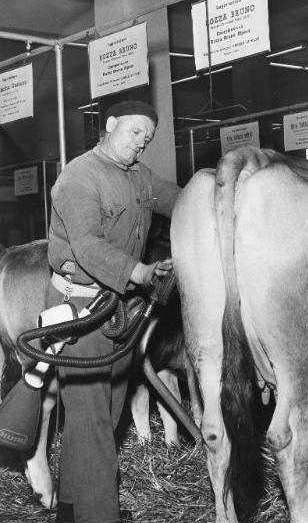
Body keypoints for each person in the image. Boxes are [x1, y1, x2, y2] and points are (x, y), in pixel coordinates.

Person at [47, 99, 181, 523]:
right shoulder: (79, 177)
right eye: (134, 131)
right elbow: (85, 245)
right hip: (79, 309)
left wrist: (218, 191)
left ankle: (71, 508)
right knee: (91, 421)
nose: (141, 142)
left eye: (148, 137)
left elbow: (177, 200)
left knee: (107, 413)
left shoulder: (140, 176)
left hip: (119, 309)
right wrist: (139, 271)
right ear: (109, 125)